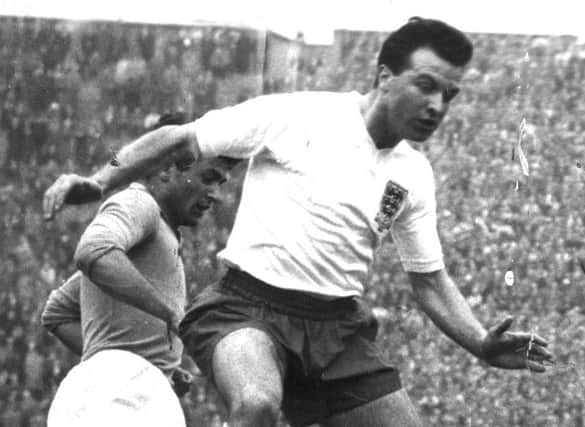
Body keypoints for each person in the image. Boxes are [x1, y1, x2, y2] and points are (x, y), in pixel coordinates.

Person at [43, 18, 554, 427]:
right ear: (383, 77)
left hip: (336, 328)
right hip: (247, 310)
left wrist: (482, 343)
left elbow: (429, 281)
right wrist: (99, 182)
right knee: (257, 403)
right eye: (425, 85)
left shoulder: (414, 176)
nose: (437, 105)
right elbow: (181, 140)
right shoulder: (298, 117)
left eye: (449, 94)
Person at [41, 113, 228, 427]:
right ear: (167, 168)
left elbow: (57, 312)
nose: (216, 194)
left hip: (123, 391)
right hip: (121, 393)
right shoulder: (141, 205)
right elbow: (93, 250)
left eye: (221, 183)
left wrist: (155, 364)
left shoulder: (157, 235)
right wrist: (169, 315)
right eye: (208, 177)